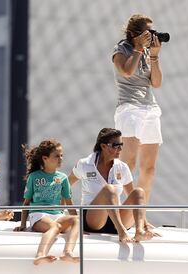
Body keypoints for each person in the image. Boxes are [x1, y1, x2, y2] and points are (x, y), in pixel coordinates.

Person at [112, 14, 164, 227]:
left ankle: (140, 216)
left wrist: (154, 56)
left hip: (150, 108)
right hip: (129, 109)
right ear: (134, 34)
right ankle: (114, 211)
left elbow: (157, 83)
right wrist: (138, 49)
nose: (151, 36)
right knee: (127, 163)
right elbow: (126, 71)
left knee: (149, 168)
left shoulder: (146, 52)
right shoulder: (121, 50)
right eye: (147, 33)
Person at [68, 128, 156, 242]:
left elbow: (134, 198)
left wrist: (144, 222)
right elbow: (65, 187)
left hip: (116, 218)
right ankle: (122, 232)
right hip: (93, 220)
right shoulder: (84, 164)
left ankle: (139, 231)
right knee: (109, 189)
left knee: (139, 192)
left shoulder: (122, 167)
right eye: (116, 145)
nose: (120, 149)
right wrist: (74, 218)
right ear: (103, 146)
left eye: (121, 145)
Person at [14, 140, 79, 266]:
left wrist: (79, 227)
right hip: (39, 215)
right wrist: (23, 224)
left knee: (76, 219)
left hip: (57, 215)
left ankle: (68, 252)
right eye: (56, 156)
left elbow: (69, 204)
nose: (60, 159)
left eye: (61, 155)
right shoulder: (34, 177)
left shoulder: (63, 178)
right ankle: (40, 255)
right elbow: (26, 202)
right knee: (55, 227)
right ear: (45, 158)